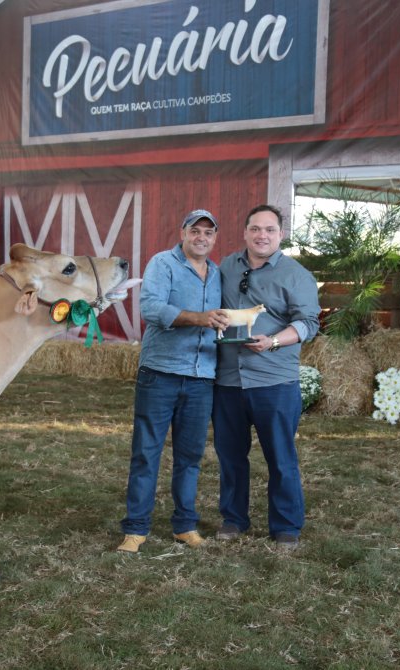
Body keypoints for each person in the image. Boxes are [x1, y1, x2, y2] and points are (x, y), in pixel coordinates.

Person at [116, 210, 230, 553]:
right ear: (183, 233)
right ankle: (136, 529)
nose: (201, 237)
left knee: (190, 457)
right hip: (161, 374)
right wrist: (199, 318)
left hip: (201, 377)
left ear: (215, 238)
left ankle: (185, 525)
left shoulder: (217, 273)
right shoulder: (162, 263)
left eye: (208, 233)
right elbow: (151, 309)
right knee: (146, 453)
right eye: (195, 231)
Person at [213, 204, 320, 550]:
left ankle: (286, 526)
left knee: (280, 456)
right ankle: (233, 519)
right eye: (256, 229)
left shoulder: (296, 275)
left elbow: (309, 324)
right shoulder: (226, 266)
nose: (262, 236)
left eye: (270, 230)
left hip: (274, 381)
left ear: (281, 235)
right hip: (228, 380)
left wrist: (273, 341)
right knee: (230, 455)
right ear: (245, 232)